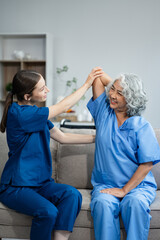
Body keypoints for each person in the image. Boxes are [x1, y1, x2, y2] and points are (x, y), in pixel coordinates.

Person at [0, 67, 103, 240]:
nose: (47, 90)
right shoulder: (20, 114)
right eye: (42, 88)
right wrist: (87, 84)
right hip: (16, 187)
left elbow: (62, 137)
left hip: (40, 184)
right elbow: (65, 106)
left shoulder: (36, 115)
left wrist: (98, 138)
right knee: (48, 211)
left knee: (72, 195)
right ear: (27, 96)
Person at [87, 72, 160, 240]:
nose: (112, 95)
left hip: (138, 187)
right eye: (112, 89)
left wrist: (124, 190)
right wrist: (117, 83)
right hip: (105, 185)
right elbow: (98, 77)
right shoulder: (103, 113)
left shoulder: (142, 126)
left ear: (131, 98)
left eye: (120, 93)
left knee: (135, 204)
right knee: (103, 204)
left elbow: (147, 164)